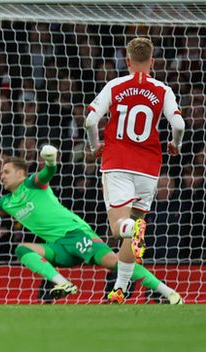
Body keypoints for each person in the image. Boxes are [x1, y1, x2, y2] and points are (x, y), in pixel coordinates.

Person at [0, 145, 182, 304]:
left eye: (6, 172)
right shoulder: (6, 203)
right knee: (23, 250)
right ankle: (62, 283)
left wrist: (50, 161)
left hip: (76, 234)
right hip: (59, 248)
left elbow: (48, 173)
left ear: (21, 174)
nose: (1, 176)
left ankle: (168, 292)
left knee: (116, 263)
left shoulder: (33, 183)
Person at [84, 37, 185, 302]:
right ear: (152, 61)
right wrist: (175, 144)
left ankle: (129, 239)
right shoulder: (163, 90)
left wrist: (95, 146)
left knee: (120, 228)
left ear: (127, 61)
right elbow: (179, 124)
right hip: (149, 167)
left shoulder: (115, 86)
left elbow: (90, 120)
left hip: (117, 163)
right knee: (136, 225)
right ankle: (121, 288)